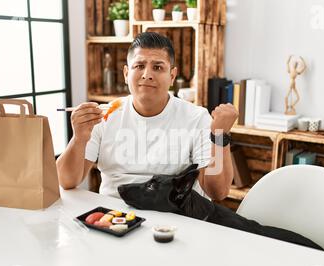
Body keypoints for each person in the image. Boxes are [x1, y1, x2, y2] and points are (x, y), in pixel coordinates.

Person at [56, 32, 238, 200]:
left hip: (174, 220)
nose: (147, 74)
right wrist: (79, 138)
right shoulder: (104, 115)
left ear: (172, 76)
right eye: (139, 66)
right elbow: (66, 181)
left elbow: (218, 192)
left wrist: (220, 135)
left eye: (158, 67)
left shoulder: (196, 118)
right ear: (127, 74)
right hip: (115, 218)